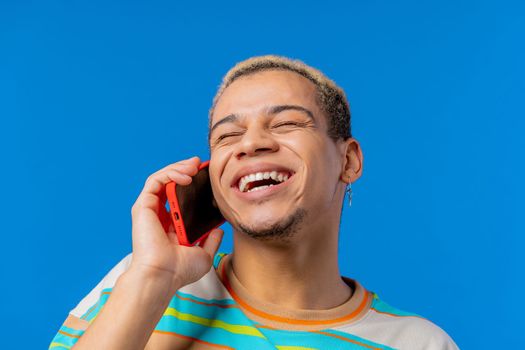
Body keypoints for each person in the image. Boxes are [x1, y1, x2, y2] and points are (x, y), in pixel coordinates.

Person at [49, 55, 459, 349]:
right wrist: (154, 277)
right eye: (227, 136)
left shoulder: (418, 343)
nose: (252, 143)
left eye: (285, 123)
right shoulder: (138, 286)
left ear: (348, 161)